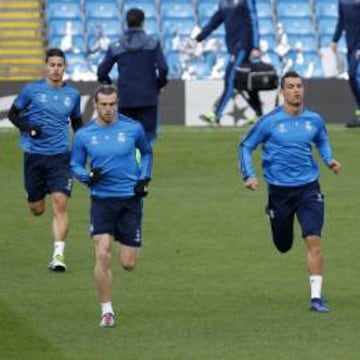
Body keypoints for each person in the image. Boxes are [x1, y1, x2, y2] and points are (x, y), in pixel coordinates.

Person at [239, 71, 341, 312]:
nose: (296, 90)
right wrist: (249, 175)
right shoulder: (270, 122)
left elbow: (322, 140)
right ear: (282, 92)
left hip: (308, 188)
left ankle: (316, 298)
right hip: (279, 193)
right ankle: (273, 214)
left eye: (299, 86)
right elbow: (246, 146)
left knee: (313, 238)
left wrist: (328, 159)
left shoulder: (314, 120)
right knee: (283, 245)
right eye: (291, 87)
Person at [70, 85, 153, 328]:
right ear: (95, 105)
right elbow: (74, 164)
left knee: (128, 263)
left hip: (130, 200)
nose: (108, 109)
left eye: (112, 104)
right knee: (102, 252)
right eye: (104, 104)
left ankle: (124, 243)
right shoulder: (85, 135)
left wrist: (144, 179)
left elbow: (147, 153)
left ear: (117, 103)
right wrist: (87, 177)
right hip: (102, 201)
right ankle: (107, 311)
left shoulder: (132, 129)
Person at [8, 48, 82, 272]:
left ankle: (58, 256)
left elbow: (77, 123)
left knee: (60, 204)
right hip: (34, 156)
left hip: (60, 157)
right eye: (52, 65)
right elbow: (13, 114)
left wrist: (84, 149)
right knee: (37, 209)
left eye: (60, 65)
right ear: (46, 67)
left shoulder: (73, 95)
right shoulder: (31, 90)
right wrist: (29, 128)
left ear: (64, 68)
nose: (56, 69)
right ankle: (33, 193)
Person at [97, 8, 168, 146]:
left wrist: (109, 85)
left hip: (125, 98)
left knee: (126, 136)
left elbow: (102, 71)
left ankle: (129, 163)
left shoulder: (116, 46)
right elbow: (163, 68)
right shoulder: (153, 44)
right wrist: (158, 85)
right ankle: (142, 162)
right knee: (148, 136)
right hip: (148, 98)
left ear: (126, 23)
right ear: (143, 23)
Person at [194, 0, 261, 125]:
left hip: (243, 46)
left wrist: (256, 46)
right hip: (233, 47)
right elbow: (215, 21)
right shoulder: (224, 3)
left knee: (230, 79)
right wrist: (200, 37)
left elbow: (253, 20)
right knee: (246, 81)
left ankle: (216, 114)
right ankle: (259, 114)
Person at [331, 0, 360, 127]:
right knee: (352, 77)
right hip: (350, 45)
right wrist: (335, 40)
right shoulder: (343, 2)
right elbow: (341, 21)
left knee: (354, 74)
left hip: (358, 46)